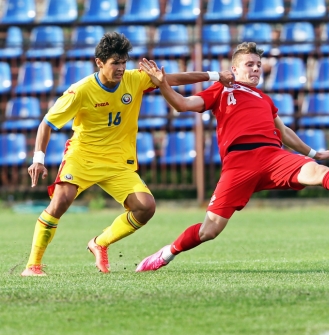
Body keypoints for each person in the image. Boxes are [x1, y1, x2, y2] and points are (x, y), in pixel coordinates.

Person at [135, 42, 329, 271]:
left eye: (258, 65)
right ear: (234, 68)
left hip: (273, 156)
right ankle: (167, 253)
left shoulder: (265, 99)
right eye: (249, 65)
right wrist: (163, 84)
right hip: (239, 163)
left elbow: (283, 131)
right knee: (209, 230)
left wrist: (313, 153)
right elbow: (182, 104)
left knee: (318, 172)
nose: (256, 69)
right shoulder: (221, 90)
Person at [21, 32, 235, 276]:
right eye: (115, 63)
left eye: (124, 62)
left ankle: (100, 243)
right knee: (60, 201)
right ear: (99, 63)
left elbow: (173, 79)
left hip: (118, 161)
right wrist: (38, 158)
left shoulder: (135, 80)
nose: (121, 68)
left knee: (146, 207)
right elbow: (46, 124)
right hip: (84, 156)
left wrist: (216, 76)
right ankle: (32, 266)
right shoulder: (80, 91)